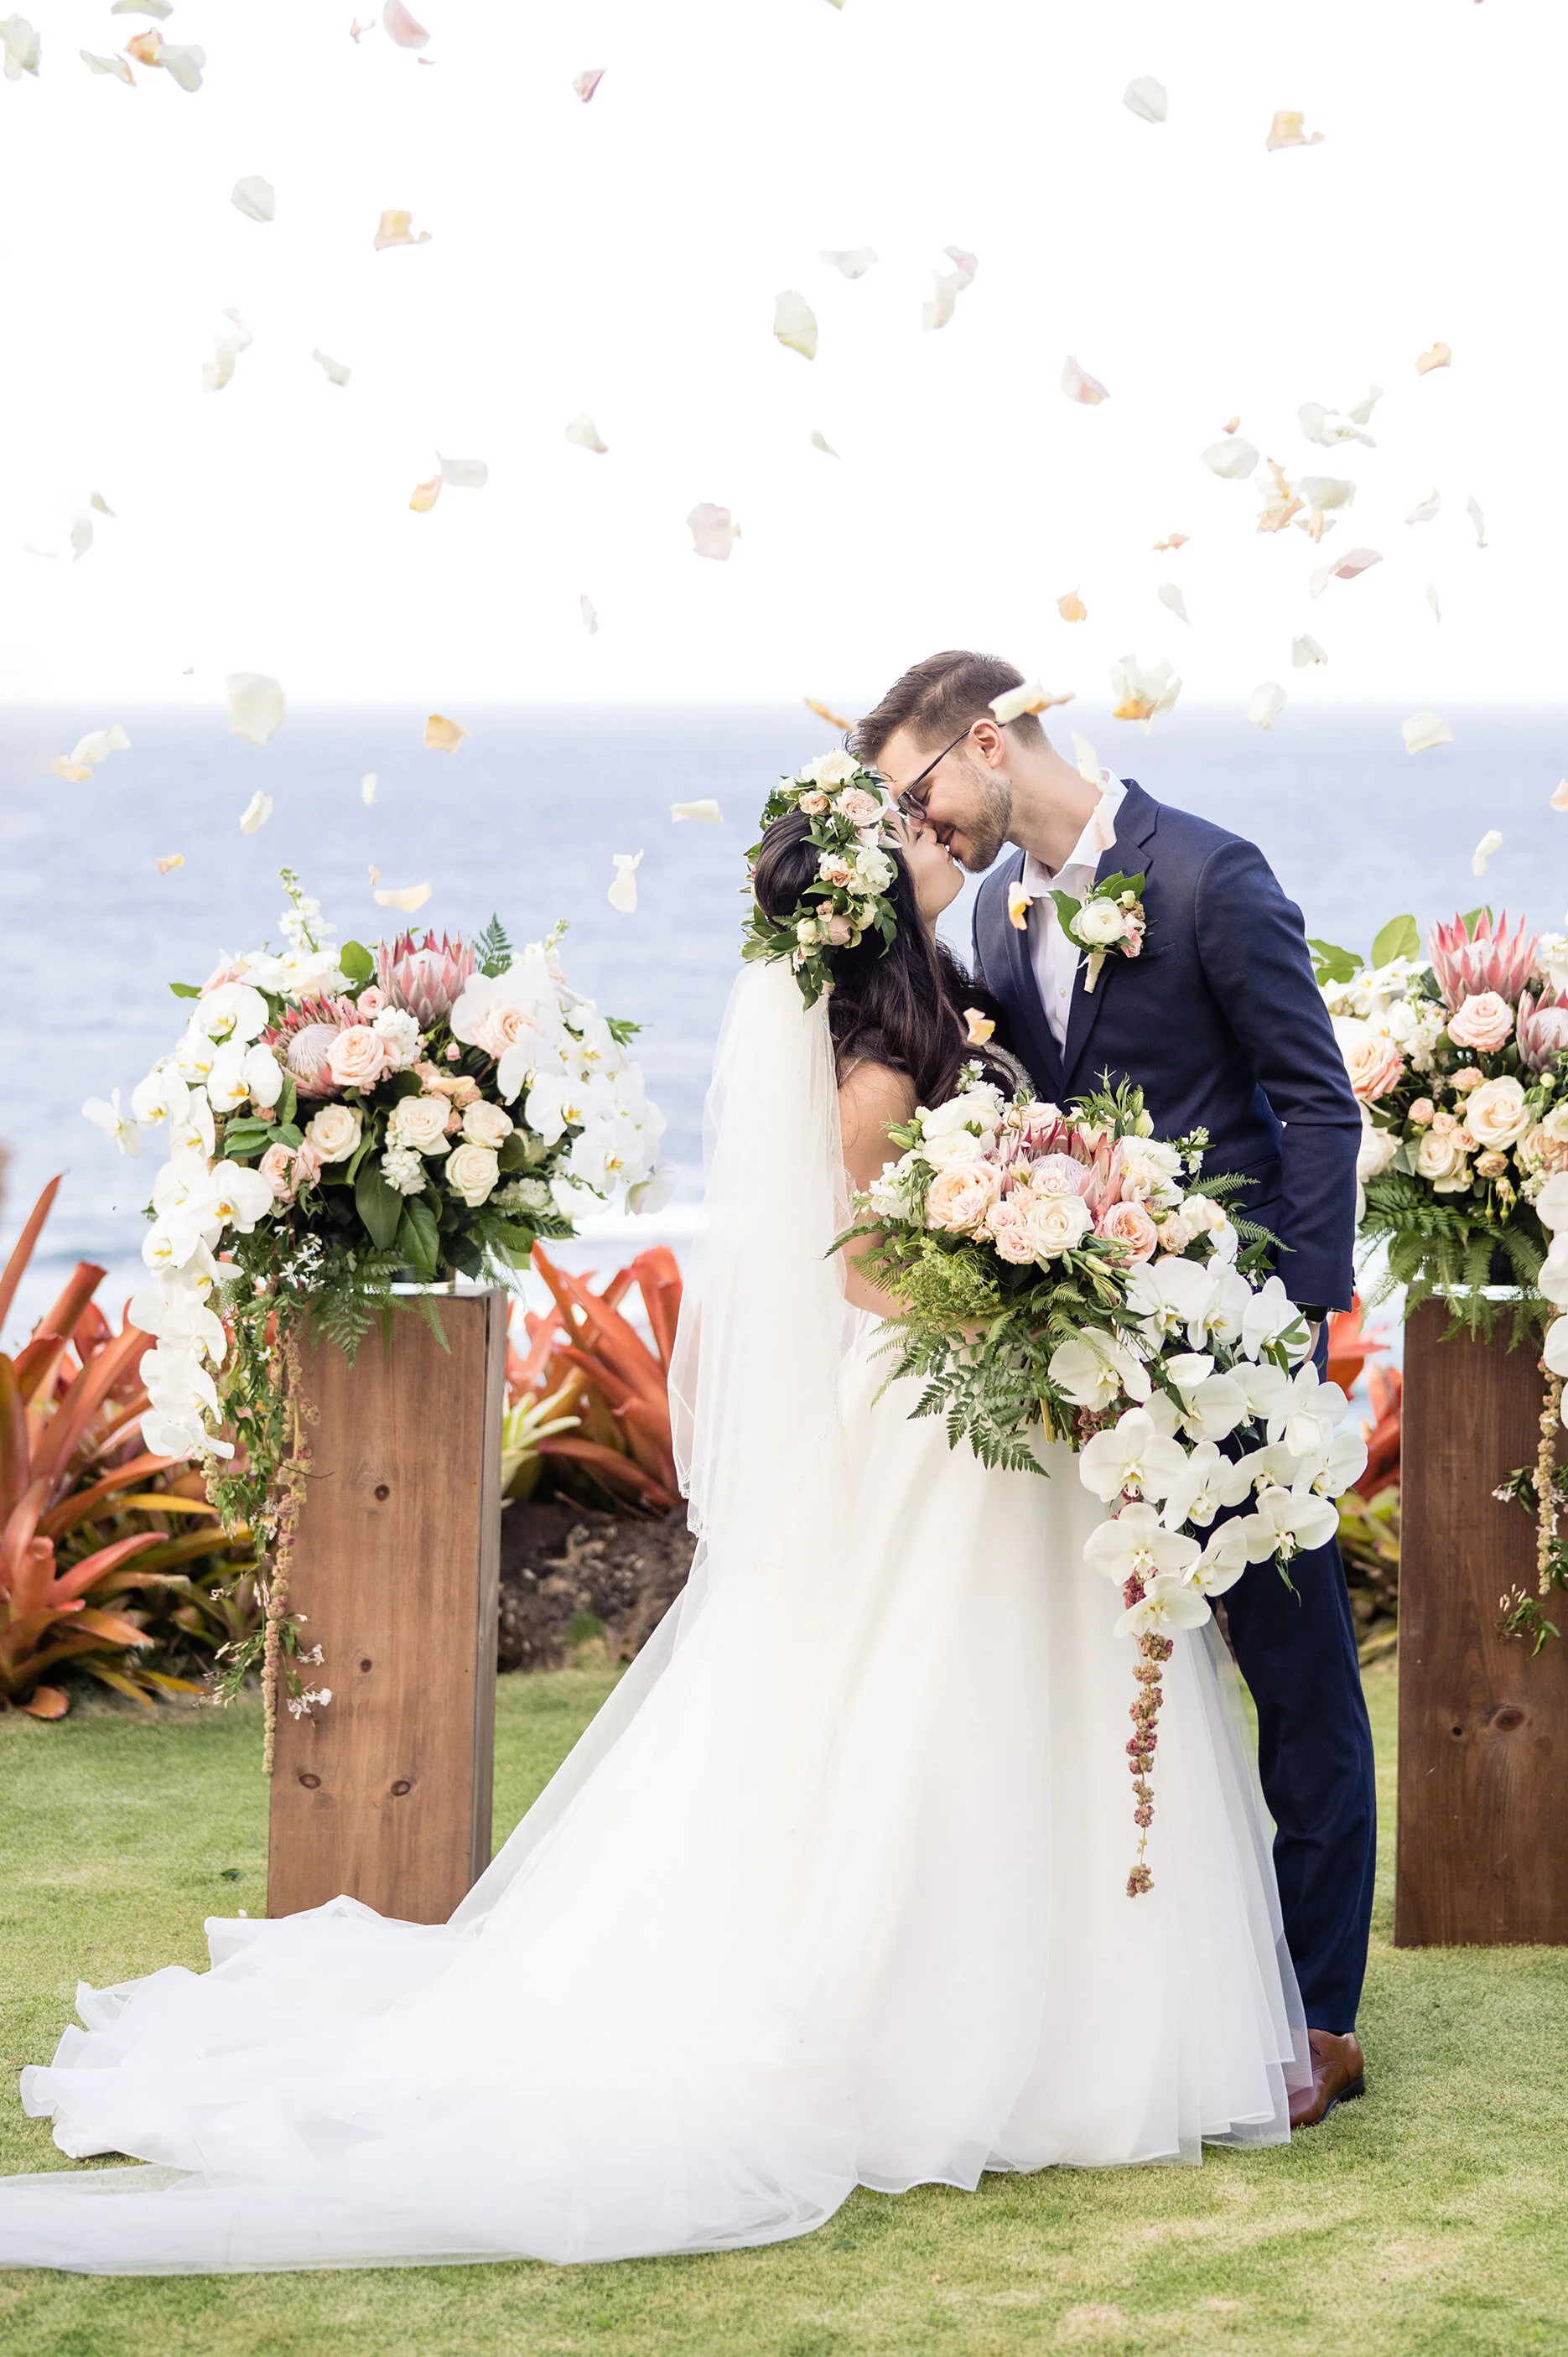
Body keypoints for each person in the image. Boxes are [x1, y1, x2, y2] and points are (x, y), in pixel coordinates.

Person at [0, 749, 1311, 2279]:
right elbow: (864, 1268)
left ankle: (1062, 2015)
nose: (936, 829)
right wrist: (1016, 1310)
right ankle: (941, 2022)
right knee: (934, 1706)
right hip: (937, 1416)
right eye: (906, 828)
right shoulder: (882, 1061)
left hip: (986, 1418)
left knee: (1006, 1704)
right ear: (878, 892)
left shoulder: (939, 1011)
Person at [856, 652, 1372, 2127]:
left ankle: (1321, 2015)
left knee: (1298, 1677)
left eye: (920, 791)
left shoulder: (1209, 875)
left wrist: (1291, 1322)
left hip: (1240, 1351)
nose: (923, 825)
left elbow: (1314, 1099)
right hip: (1093, 1366)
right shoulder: (1008, 918)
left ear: (991, 740)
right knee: (1109, 1679)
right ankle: (1149, 1994)